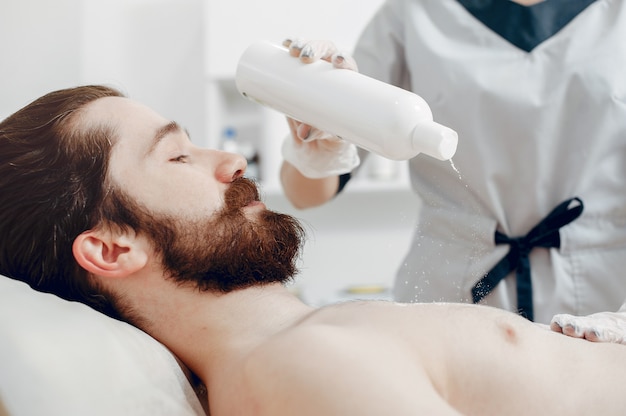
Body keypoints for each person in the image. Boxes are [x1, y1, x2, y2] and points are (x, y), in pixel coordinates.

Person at [2, 85, 626, 415]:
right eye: (178, 154)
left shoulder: (305, 346)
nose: (232, 161)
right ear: (111, 250)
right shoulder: (288, 372)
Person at [278, 0, 626, 324]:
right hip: (448, 293)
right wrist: (317, 123)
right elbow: (306, 194)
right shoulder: (415, 12)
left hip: (604, 293)